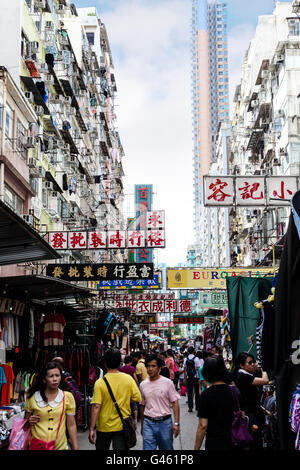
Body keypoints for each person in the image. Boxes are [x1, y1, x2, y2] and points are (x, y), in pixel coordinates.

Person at [89, 348, 141, 450]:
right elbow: (137, 397)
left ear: (105, 363)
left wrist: (91, 428)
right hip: (122, 425)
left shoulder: (100, 382)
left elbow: (96, 406)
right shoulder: (128, 379)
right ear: (119, 362)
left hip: (104, 426)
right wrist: (125, 399)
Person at [24, 361, 78, 450]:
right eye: (51, 376)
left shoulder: (67, 397)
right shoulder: (32, 397)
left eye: (57, 375)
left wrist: (76, 448)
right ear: (44, 379)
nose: (55, 379)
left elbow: (71, 425)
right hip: (37, 446)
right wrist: (28, 422)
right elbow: (25, 424)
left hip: (60, 447)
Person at [194, 356, 241, 451]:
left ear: (206, 373)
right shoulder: (234, 391)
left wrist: (196, 448)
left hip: (214, 442)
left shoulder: (206, 394)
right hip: (234, 439)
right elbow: (241, 413)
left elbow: (203, 425)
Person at [140, 354, 180, 450]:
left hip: (165, 423)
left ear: (159, 368)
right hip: (148, 423)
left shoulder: (167, 383)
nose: (150, 369)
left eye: (153, 366)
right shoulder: (143, 385)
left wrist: (176, 423)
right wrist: (142, 425)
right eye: (148, 366)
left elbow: (175, 402)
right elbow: (142, 405)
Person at [234, 352, 269, 449]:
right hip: (250, 416)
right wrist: (264, 369)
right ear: (241, 365)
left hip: (253, 413)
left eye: (253, 362)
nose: (253, 364)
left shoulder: (246, 375)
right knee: (254, 442)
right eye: (250, 363)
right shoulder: (243, 377)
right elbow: (265, 381)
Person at [183, 346, 201, 412]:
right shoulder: (196, 359)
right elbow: (199, 369)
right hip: (196, 377)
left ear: (188, 351)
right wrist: (200, 378)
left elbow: (184, 369)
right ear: (193, 351)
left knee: (190, 392)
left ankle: (190, 407)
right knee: (196, 392)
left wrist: (185, 378)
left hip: (189, 378)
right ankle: (197, 407)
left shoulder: (185, 359)